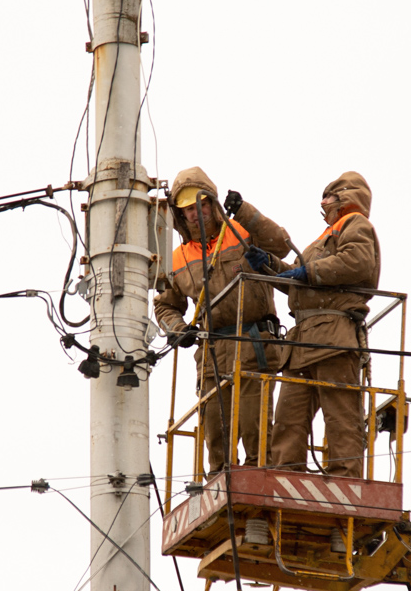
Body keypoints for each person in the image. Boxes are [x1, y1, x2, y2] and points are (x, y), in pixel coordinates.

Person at [153, 166, 292, 473]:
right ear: (180, 215)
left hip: (254, 344)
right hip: (212, 354)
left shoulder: (242, 231)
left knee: (256, 431)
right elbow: (165, 306)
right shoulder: (177, 258)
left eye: (201, 204)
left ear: (213, 203)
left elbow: (281, 245)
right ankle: (221, 486)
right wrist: (178, 329)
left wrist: (245, 212)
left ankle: (259, 487)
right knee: (216, 436)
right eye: (188, 209)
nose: (195, 213)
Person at [249, 171, 380, 479]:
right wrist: (268, 264)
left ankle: (345, 479)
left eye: (329, 196)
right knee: (288, 419)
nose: (323, 202)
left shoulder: (356, 224)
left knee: (341, 417)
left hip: (335, 336)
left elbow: (358, 262)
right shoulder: (319, 241)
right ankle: (286, 475)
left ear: (346, 196)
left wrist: (307, 272)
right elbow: (296, 277)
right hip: (302, 343)